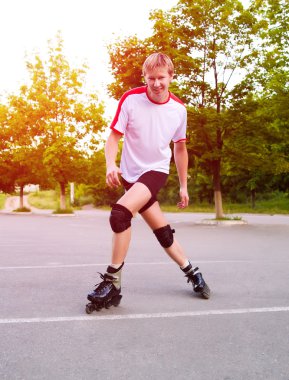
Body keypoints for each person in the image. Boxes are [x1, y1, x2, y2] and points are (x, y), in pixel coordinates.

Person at [86, 53, 210, 313]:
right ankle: (193, 272)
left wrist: (183, 185)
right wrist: (111, 164)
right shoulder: (130, 100)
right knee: (163, 233)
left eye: (161, 78)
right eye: (151, 78)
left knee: (120, 215)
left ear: (171, 77)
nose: (156, 84)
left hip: (156, 171)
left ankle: (112, 283)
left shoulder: (178, 109)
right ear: (145, 78)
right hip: (131, 176)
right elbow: (113, 137)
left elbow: (180, 148)